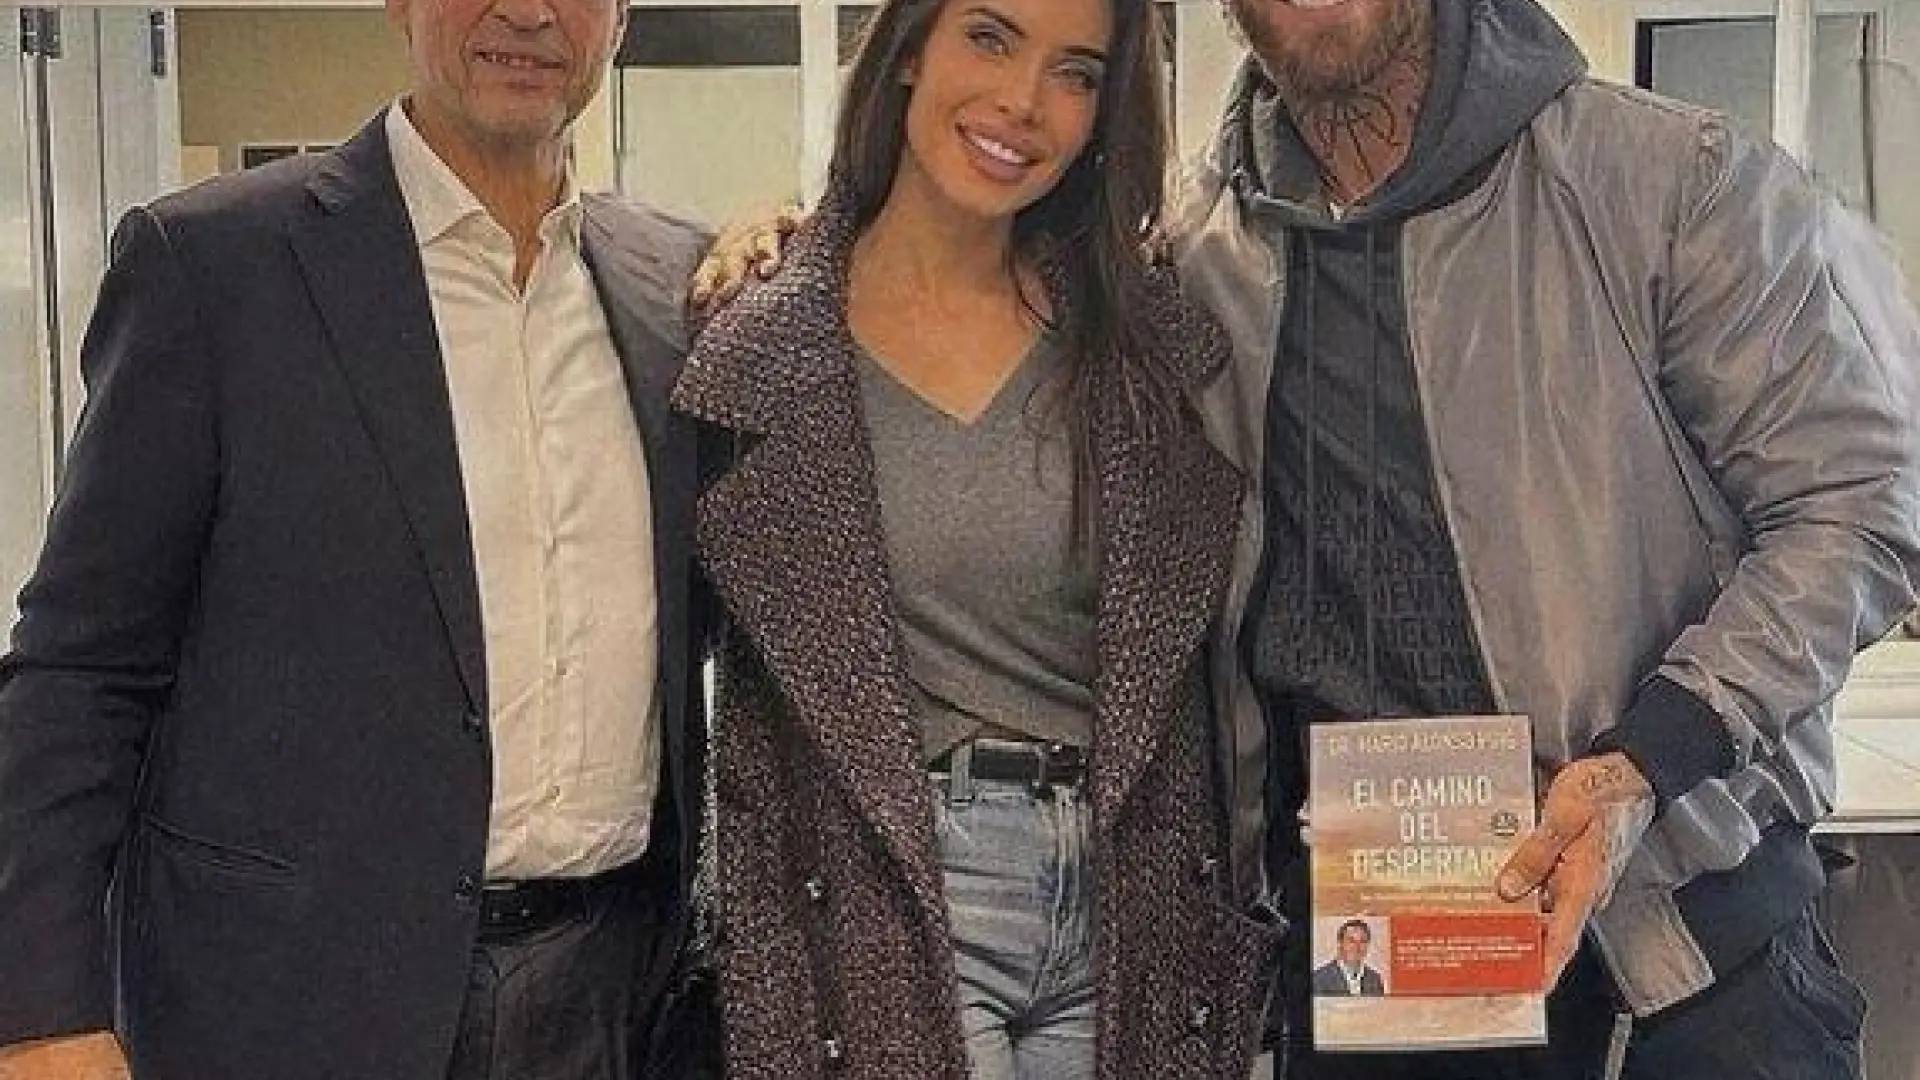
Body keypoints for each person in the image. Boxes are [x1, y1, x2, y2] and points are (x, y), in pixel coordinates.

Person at [1174, 0, 1920, 1077]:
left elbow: (1858, 503)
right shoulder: (1195, 261)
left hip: (1691, 964)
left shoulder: (1672, 183)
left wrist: (1647, 760)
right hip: (1377, 976)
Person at [0, 0, 718, 1074]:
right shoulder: (214, 267)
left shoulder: (682, 287)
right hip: (292, 998)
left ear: (620, 16)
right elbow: (79, 667)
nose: (529, 12)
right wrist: (43, 1010)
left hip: (610, 998)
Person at [672, 0, 1283, 1075]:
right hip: (895, 890)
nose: (1023, 102)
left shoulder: (1138, 335)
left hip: (1133, 892)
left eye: (1075, 73)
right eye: (991, 39)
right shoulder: (764, 335)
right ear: (910, 49)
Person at [1310, 920, 1384, 998]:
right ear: (1340, 944)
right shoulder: (1318, 979)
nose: (1357, 947)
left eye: (1362, 941)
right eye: (1351, 941)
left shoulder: (1374, 979)